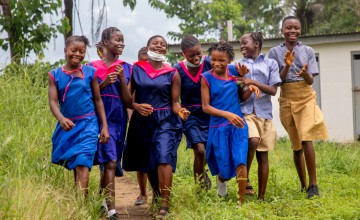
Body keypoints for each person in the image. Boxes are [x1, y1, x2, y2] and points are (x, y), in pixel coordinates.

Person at [122, 35, 185, 217]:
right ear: (148, 47)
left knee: (164, 156)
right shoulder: (136, 69)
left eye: (162, 44)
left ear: (165, 50)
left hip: (166, 119)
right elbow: (127, 99)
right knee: (149, 161)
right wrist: (136, 106)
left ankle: (165, 202)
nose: (159, 46)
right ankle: (157, 195)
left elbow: (175, 102)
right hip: (143, 120)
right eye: (155, 43)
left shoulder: (172, 73)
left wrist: (181, 111)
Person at [268, 16, 328, 199]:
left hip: (306, 96)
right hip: (287, 98)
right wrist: (286, 67)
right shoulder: (274, 52)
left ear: (300, 30)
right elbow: (277, 81)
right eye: (289, 28)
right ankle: (303, 185)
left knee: (306, 136)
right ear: (282, 30)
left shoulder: (308, 50)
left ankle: (314, 185)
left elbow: (311, 80)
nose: (292, 31)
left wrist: (305, 74)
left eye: (296, 28)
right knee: (296, 144)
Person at [48, 35, 110, 196]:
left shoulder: (90, 72)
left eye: (82, 51)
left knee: (83, 160)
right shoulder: (54, 75)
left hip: (88, 123)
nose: (78, 54)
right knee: (76, 161)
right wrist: (61, 119)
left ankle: (81, 204)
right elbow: (53, 102)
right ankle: (79, 198)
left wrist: (104, 125)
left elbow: (97, 100)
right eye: (73, 50)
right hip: (68, 125)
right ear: (65, 50)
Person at [201, 41, 260, 204]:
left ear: (229, 61)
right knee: (225, 170)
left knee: (241, 160)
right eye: (213, 59)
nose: (217, 63)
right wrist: (227, 115)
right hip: (219, 127)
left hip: (238, 125)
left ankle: (240, 200)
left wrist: (249, 86)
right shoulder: (206, 78)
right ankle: (221, 180)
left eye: (221, 60)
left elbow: (242, 96)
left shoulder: (235, 71)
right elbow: (206, 107)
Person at [88, 27, 132, 220]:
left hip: (118, 117)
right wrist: (104, 83)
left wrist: (122, 80)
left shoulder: (126, 67)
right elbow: (88, 95)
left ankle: (102, 202)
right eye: (117, 40)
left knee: (110, 161)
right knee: (110, 161)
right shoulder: (92, 67)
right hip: (99, 116)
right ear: (105, 43)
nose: (121, 43)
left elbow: (127, 100)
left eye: (123, 40)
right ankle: (112, 209)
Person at [235, 32, 281, 200]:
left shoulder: (271, 63)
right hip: (247, 112)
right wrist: (241, 78)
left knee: (263, 155)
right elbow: (240, 93)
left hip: (265, 114)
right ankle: (245, 180)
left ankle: (261, 196)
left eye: (244, 42)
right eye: (240, 43)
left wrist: (253, 82)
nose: (241, 46)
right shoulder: (238, 64)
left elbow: (273, 90)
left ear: (256, 43)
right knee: (252, 140)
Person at [173, 35, 212, 190]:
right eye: (191, 55)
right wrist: (180, 110)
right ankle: (200, 187)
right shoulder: (178, 70)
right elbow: (175, 100)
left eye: (198, 53)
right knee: (200, 150)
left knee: (209, 150)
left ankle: (203, 170)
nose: (196, 58)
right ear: (184, 54)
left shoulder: (209, 63)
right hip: (190, 115)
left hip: (210, 112)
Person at [134, 46, 150, 206]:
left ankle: (157, 193)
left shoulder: (163, 71)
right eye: (142, 60)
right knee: (142, 158)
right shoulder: (135, 71)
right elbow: (129, 97)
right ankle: (143, 193)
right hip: (139, 119)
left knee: (157, 156)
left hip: (159, 117)